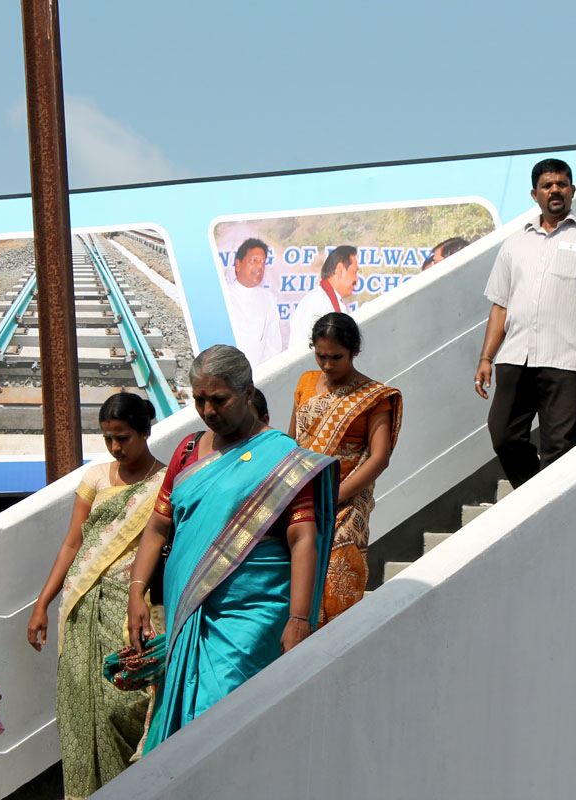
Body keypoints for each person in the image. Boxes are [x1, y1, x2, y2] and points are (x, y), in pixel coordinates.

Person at [124, 345, 339, 752]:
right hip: (189, 613)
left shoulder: (282, 459)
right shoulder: (188, 451)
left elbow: (302, 538)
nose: (208, 410)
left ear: (246, 392)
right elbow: (158, 526)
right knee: (185, 727)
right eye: (199, 399)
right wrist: (136, 590)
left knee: (218, 719)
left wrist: (299, 617)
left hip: (251, 615)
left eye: (218, 399)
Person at [26, 393, 166, 798]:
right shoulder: (96, 477)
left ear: (146, 431)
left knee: (124, 703)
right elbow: (74, 543)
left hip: (132, 605)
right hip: (82, 601)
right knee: (79, 703)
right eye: (108, 439)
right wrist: (42, 603)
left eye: (123, 437)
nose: (115, 448)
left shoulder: (164, 482)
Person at [474, 158, 576, 489]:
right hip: (515, 358)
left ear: (572, 191)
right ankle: (537, 498)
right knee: (503, 436)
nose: (555, 190)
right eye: (547, 185)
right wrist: (487, 357)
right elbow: (500, 305)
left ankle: (549, 510)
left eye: (561, 184)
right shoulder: (515, 243)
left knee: (559, 451)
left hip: (566, 361)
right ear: (535, 194)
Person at [289, 313, 402, 625]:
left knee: (336, 578)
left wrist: (335, 496)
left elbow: (379, 457)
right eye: (320, 355)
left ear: (354, 351)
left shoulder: (374, 396)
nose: (327, 365)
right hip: (304, 497)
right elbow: (293, 442)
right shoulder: (306, 384)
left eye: (336, 357)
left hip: (347, 503)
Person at [224, 238, 284, 366]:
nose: (260, 266)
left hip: (257, 378)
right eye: (254, 260)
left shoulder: (269, 300)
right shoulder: (224, 297)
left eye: (263, 262)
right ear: (238, 265)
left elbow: (273, 347)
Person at [288, 245, 359, 347]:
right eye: (354, 271)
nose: (356, 279)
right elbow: (307, 351)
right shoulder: (316, 302)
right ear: (340, 270)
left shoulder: (336, 303)